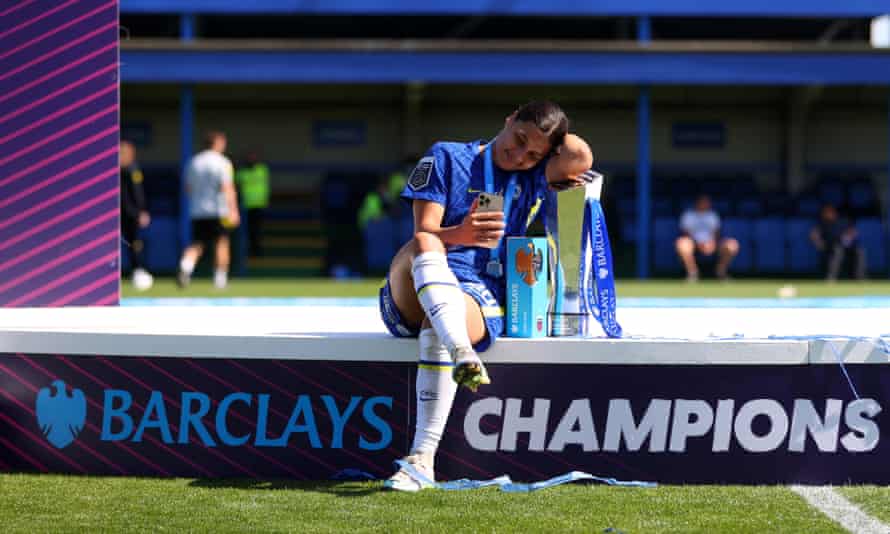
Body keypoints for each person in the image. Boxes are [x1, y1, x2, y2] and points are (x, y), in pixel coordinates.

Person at [378, 101, 593, 491]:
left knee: (437, 324)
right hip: (419, 278)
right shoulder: (448, 156)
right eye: (519, 138)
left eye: (535, 154)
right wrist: (459, 233)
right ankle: (461, 350)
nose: (520, 155)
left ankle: (421, 461)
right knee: (426, 239)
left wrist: (548, 143)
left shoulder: (531, 177)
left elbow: (579, 154)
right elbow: (423, 230)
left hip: (477, 292)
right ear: (509, 118)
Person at [177, 131, 240, 289]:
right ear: (218, 143)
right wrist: (233, 210)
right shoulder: (223, 162)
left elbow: (188, 188)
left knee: (197, 243)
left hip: (197, 211)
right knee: (221, 242)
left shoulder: (193, 162)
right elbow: (227, 188)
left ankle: (186, 266)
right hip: (219, 211)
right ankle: (220, 280)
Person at [675, 194, 738, 282]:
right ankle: (693, 273)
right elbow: (686, 233)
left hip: (712, 244)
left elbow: (717, 233)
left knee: (732, 245)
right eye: (703, 202)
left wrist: (712, 243)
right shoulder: (688, 215)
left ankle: (720, 272)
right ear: (697, 203)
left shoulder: (712, 215)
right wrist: (698, 244)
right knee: (682, 244)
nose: (705, 204)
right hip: (694, 244)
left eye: (707, 202)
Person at [119, 140, 153, 291]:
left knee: (133, 242)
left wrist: (141, 211)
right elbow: (137, 193)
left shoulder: (132, 170)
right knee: (131, 242)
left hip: (129, 212)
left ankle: (137, 270)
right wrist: (141, 211)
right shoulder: (128, 169)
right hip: (124, 212)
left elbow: (137, 193)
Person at [810, 203, 866, 281]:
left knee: (860, 251)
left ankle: (860, 278)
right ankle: (831, 278)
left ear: (834, 212)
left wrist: (849, 237)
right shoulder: (822, 223)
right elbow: (814, 234)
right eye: (825, 212)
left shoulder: (843, 221)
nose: (827, 214)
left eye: (829, 211)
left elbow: (853, 232)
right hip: (831, 247)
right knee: (838, 251)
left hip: (847, 245)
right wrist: (819, 243)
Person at [235, 150, 270, 257]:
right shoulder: (241, 172)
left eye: (254, 157)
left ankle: (257, 250)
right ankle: (249, 251)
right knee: (248, 231)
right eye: (250, 157)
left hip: (259, 205)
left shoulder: (263, 170)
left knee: (257, 230)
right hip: (246, 206)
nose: (252, 160)